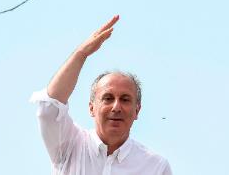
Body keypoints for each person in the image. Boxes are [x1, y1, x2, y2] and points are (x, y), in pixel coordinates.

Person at [29, 15, 172, 175]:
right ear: (91, 108)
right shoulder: (70, 146)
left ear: (137, 110)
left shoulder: (155, 166)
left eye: (125, 99)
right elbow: (49, 107)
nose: (116, 107)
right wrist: (81, 54)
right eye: (108, 98)